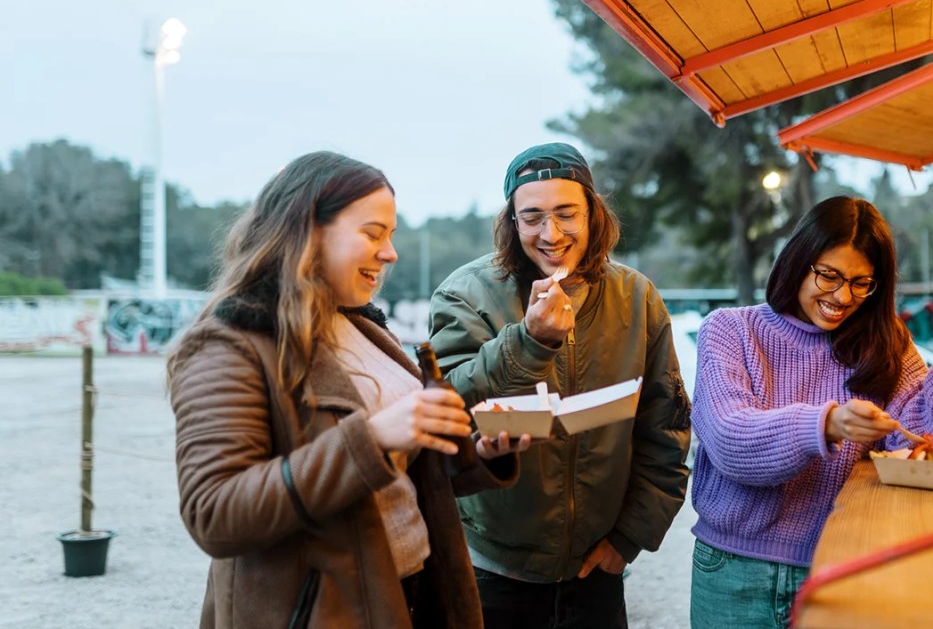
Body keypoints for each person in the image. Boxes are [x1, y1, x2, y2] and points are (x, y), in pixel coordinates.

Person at [167, 151, 526, 628]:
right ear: (307, 231)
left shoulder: (364, 328)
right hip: (320, 613)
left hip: (410, 593)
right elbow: (214, 513)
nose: (390, 252)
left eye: (391, 235)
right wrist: (372, 438)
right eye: (372, 233)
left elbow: (401, 475)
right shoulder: (228, 343)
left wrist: (480, 451)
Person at [688, 195, 933, 628]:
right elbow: (731, 440)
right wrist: (827, 424)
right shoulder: (730, 330)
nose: (842, 296)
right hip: (735, 571)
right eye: (829, 275)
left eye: (861, 283)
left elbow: (932, 445)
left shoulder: (885, 346)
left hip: (842, 567)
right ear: (798, 260)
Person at [427, 142, 692, 628]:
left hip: (596, 572)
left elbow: (667, 427)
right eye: (532, 218)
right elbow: (445, 407)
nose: (550, 234)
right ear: (511, 222)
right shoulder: (465, 293)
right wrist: (529, 342)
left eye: (566, 214)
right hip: (492, 570)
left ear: (593, 213)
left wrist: (628, 538)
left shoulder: (637, 296)